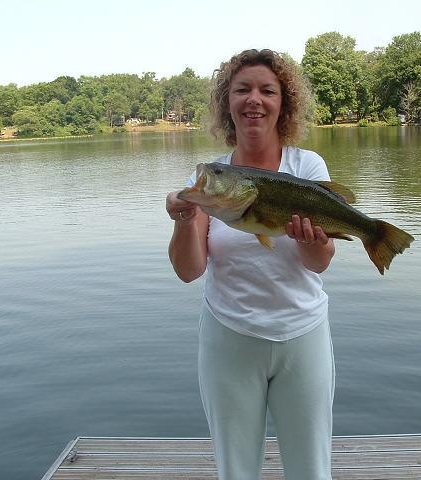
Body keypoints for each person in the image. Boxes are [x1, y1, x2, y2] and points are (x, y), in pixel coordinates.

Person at [166, 48, 335, 480]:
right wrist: (186, 219)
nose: (253, 99)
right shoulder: (211, 179)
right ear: (228, 102)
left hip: (302, 334)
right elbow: (189, 271)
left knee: (311, 468)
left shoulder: (306, 166)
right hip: (229, 335)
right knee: (235, 469)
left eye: (266, 90)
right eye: (242, 90)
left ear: (284, 103)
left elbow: (319, 263)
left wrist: (313, 241)